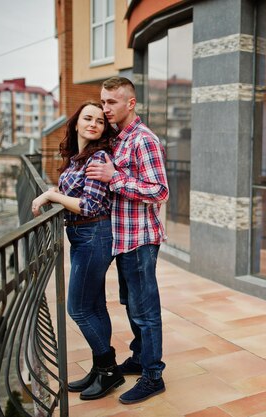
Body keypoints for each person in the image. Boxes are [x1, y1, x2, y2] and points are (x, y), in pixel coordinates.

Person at [32, 101, 124, 400]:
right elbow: (77, 195)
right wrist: (57, 195)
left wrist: (50, 195)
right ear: (75, 122)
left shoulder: (98, 157)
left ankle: (109, 369)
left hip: (94, 234)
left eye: (100, 121)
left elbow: (89, 205)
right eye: (88, 118)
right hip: (83, 235)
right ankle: (101, 370)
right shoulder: (76, 158)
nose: (94, 124)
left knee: (79, 308)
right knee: (95, 305)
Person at [85, 76, 169, 405]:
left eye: (111, 103)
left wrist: (114, 178)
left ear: (130, 103)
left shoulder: (142, 139)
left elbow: (159, 191)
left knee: (146, 312)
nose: (105, 108)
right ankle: (139, 357)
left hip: (140, 240)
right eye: (102, 102)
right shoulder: (118, 138)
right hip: (122, 238)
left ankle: (153, 376)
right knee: (132, 305)